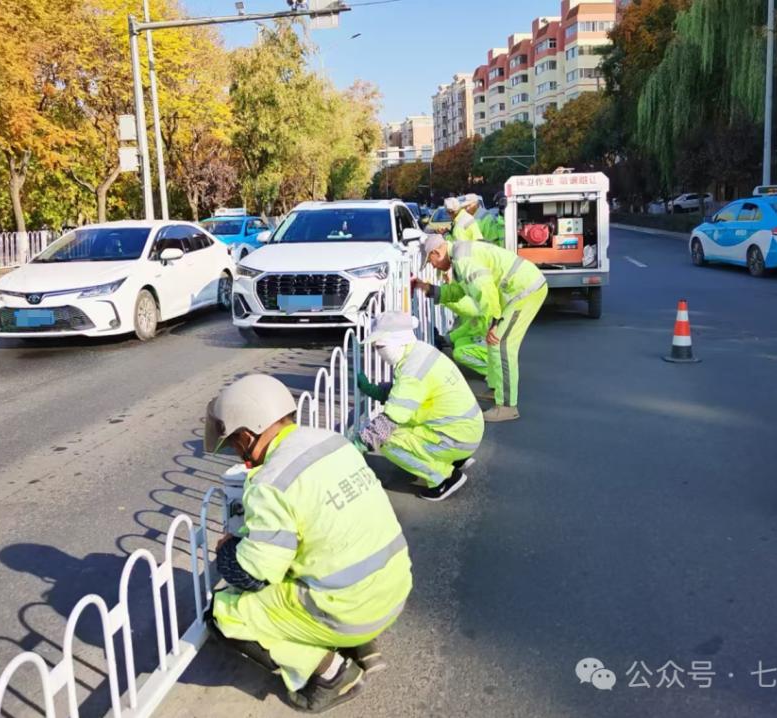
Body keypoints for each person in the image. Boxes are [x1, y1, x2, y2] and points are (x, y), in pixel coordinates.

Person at [203, 374, 413, 713]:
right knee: (316, 560)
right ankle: (362, 646)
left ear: (246, 435)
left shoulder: (271, 483)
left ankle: (333, 674)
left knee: (224, 614)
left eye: (233, 444)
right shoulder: (331, 441)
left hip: (353, 609)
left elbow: (253, 574)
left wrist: (228, 549)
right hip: (395, 589)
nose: (236, 451)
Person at [413, 234, 547, 422]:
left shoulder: (463, 260)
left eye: (431, 261)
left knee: (501, 345)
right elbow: (460, 292)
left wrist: (495, 323)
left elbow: (486, 291)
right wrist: (428, 289)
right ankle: (497, 391)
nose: (433, 266)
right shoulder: (459, 256)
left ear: (437, 252)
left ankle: (507, 407)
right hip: (520, 289)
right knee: (495, 345)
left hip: (523, 290)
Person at [355, 312, 484, 501]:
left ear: (397, 341)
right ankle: (454, 459)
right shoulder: (421, 351)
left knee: (386, 440)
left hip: (454, 437)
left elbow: (389, 421)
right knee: (399, 430)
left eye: (380, 346)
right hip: (465, 429)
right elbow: (406, 396)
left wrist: (357, 444)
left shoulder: (412, 371)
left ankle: (443, 478)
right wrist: (373, 390)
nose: (377, 351)